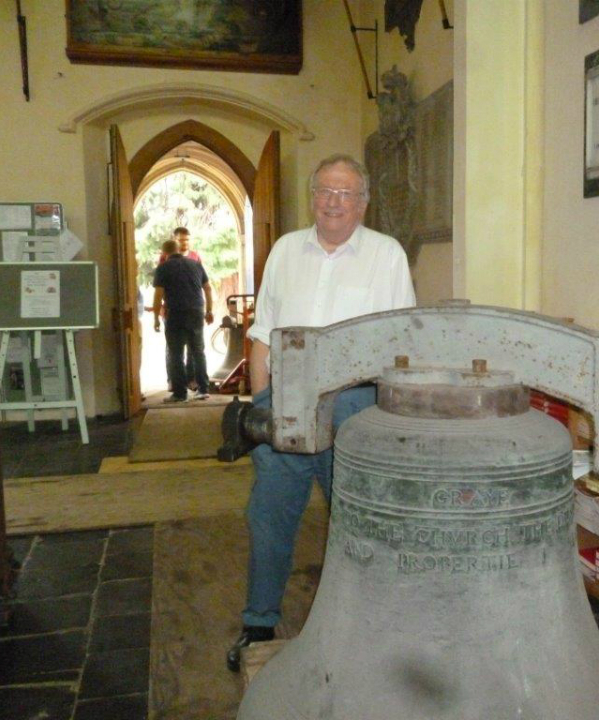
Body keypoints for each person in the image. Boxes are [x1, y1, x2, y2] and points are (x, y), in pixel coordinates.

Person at [226, 154, 416, 671]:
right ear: (313, 197)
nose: (334, 202)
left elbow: (400, 343)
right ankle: (259, 623)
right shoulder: (287, 250)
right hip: (285, 405)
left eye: (346, 193)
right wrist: (263, 403)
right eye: (325, 191)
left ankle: (368, 628)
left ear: (364, 202)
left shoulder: (386, 255)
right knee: (268, 517)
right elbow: (263, 331)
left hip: (354, 408)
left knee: (357, 522)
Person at [152, 238, 214, 403]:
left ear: (164, 253)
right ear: (179, 250)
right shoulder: (195, 264)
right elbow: (207, 288)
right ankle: (203, 389)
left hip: (176, 314)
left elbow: (158, 294)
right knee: (198, 351)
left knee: (176, 354)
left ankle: (180, 393)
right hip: (196, 313)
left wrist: (156, 318)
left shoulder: (163, 268)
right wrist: (209, 311)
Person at [159, 227, 203, 390]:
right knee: (173, 347)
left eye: (187, 240)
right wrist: (162, 307)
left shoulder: (195, 257)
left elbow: (201, 283)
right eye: (181, 240)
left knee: (193, 347)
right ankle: (173, 380)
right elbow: (161, 285)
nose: (184, 243)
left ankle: (191, 379)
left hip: (192, 309)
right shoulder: (165, 258)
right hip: (172, 309)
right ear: (175, 240)